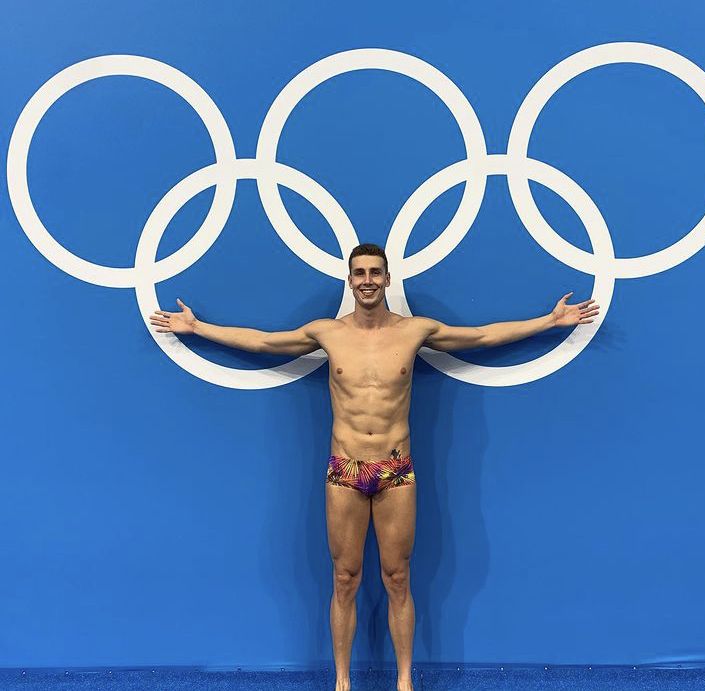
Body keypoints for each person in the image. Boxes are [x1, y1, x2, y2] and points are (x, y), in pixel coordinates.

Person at [149, 242, 599, 691]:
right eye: (360, 273)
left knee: (398, 578)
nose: (367, 280)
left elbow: (480, 337)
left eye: (375, 273)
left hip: (395, 471)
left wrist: (549, 321)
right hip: (344, 471)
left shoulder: (414, 331)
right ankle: (342, 682)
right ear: (350, 281)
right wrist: (198, 328)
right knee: (344, 578)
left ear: (387, 279)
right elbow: (265, 342)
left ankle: (404, 681)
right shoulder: (328, 333)